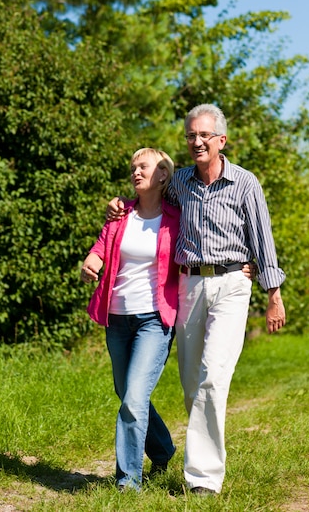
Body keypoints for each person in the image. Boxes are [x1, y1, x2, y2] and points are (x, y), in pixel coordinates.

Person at [107, 104, 286, 497]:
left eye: (205, 135)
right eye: (191, 135)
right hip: (188, 286)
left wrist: (273, 292)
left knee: (211, 378)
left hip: (232, 285)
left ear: (222, 140)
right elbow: (147, 198)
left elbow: (263, 239)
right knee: (191, 383)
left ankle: (203, 479)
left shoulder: (244, 183)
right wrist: (120, 203)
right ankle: (179, 455)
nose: (197, 141)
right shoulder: (181, 182)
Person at [81, 148, 180, 492]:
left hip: (155, 319)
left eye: (144, 167)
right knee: (126, 394)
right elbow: (101, 246)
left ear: (163, 174)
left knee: (134, 398)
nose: (136, 172)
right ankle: (164, 449)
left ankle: (128, 483)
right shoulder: (121, 214)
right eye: (133, 168)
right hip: (117, 318)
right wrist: (92, 261)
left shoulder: (176, 217)